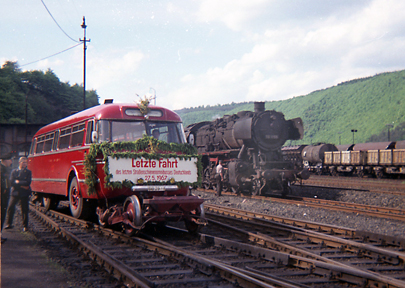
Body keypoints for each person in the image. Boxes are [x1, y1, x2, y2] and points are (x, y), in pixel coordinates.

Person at [4, 157, 32, 232]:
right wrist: (22, 185)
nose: (24, 164)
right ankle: (9, 223)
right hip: (15, 193)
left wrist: (18, 182)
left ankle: (25, 226)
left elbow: (28, 182)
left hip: (24, 194)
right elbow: (12, 182)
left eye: (26, 162)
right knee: (10, 207)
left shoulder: (28, 172)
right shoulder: (14, 171)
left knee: (24, 210)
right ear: (19, 162)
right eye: (23, 162)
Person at [1, 153, 13, 243]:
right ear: (5, 160)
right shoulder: (1, 169)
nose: (11, 162)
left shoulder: (4, 169)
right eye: (10, 160)